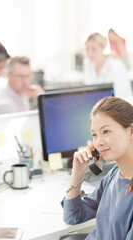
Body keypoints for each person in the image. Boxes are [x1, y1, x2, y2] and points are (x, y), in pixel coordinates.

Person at [61, 96, 133, 240]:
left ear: (131, 130)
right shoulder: (114, 175)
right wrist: (78, 172)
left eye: (106, 131)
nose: (99, 142)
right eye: (94, 135)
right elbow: (72, 216)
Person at [83, 32, 132, 98]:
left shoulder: (116, 66)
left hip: (115, 105)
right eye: (87, 49)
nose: (89, 53)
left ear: (103, 48)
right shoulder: (88, 63)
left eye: (93, 49)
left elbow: (120, 96)